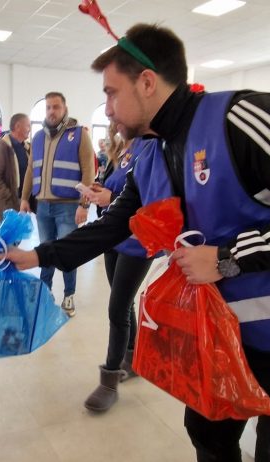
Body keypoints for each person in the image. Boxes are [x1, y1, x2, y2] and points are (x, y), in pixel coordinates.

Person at [2, 23, 270, 462]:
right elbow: (114, 224)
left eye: (111, 93)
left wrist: (227, 258)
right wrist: (36, 256)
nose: (107, 109)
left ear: (148, 83)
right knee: (207, 434)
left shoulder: (241, 119)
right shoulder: (155, 150)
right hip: (222, 335)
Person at [82, 130, 155, 412]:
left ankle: (109, 380)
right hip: (113, 236)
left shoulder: (151, 147)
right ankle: (132, 358)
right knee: (123, 302)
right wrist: (100, 190)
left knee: (117, 307)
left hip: (137, 241)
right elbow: (116, 189)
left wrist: (110, 197)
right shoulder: (122, 150)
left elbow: (152, 198)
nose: (113, 115)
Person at [20, 91, 95, 317]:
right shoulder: (38, 137)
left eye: (56, 107)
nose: (51, 111)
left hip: (69, 207)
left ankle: (69, 295)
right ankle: (45, 294)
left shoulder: (79, 134)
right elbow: (30, 170)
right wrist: (24, 198)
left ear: (65, 109)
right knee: (45, 253)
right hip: (42, 206)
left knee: (67, 253)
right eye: (48, 107)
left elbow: (88, 171)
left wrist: (84, 204)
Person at [0, 113, 31, 221]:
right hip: (8, 206)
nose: (29, 129)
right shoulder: (2, 146)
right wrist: (9, 197)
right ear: (18, 126)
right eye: (28, 126)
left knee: (19, 231)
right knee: (10, 232)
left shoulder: (26, 147)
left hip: (21, 203)